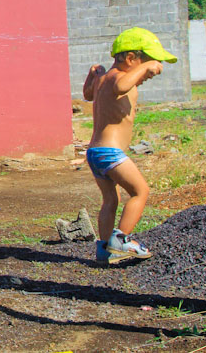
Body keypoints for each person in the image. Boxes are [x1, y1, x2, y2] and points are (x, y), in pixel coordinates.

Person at [82, 27, 177, 264]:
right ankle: (121, 241)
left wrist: (92, 75)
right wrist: (144, 67)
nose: (150, 73)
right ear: (131, 58)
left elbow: (87, 94)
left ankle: (104, 250)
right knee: (140, 191)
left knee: (110, 201)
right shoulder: (117, 79)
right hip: (110, 153)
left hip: (95, 152)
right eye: (147, 66)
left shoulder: (103, 79)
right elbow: (122, 85)